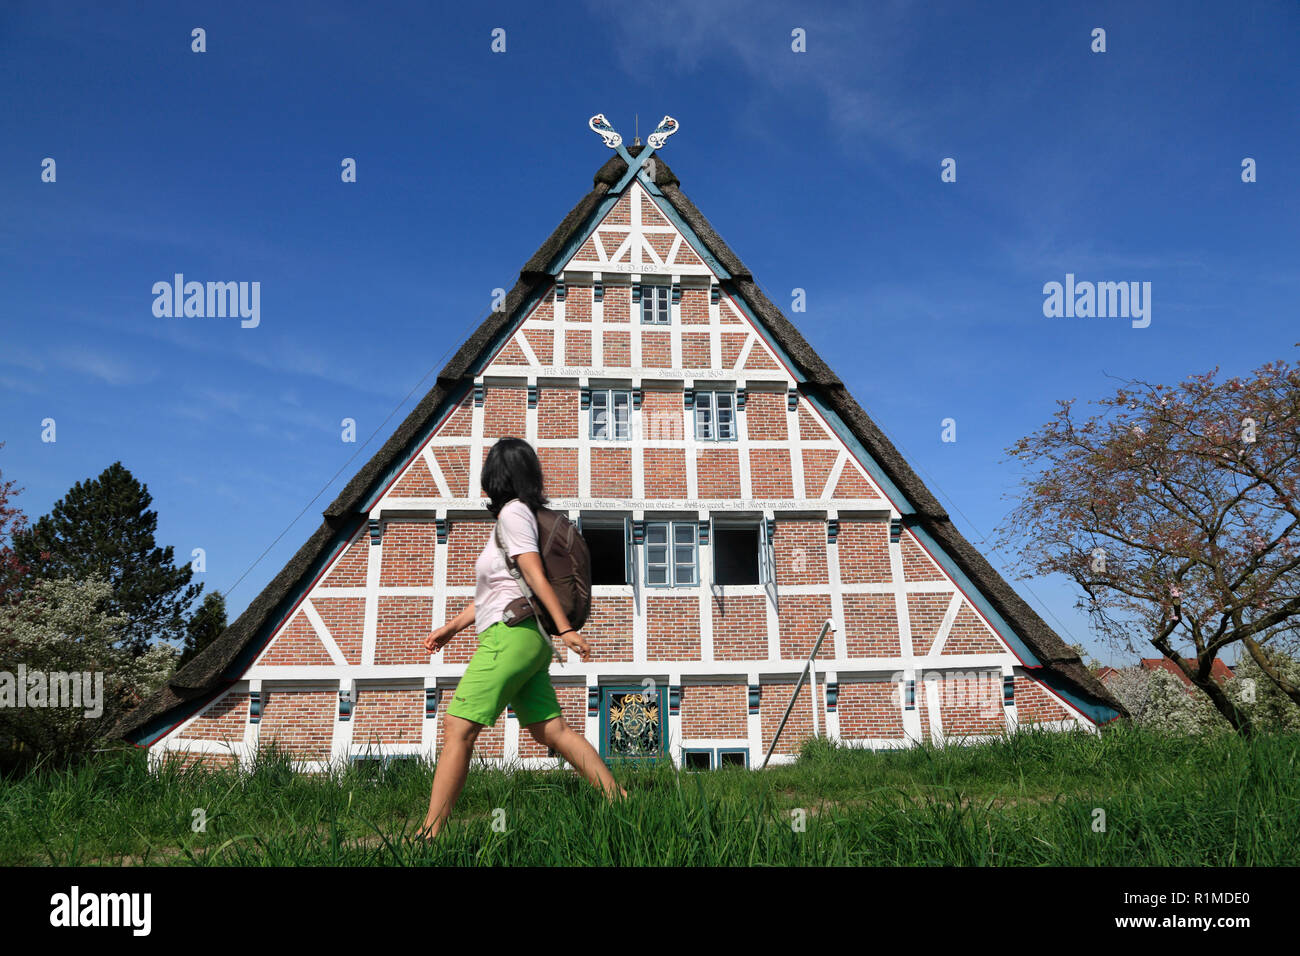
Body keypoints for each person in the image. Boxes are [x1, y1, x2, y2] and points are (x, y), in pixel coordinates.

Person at [417, 437, 626, 840]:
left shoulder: (513, 514)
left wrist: (565, 628)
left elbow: (533, 574)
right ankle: (619, 800)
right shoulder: (517, 517)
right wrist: (452, 627)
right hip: (526, 636)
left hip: (510, 637)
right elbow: (503, 591)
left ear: (495, 476)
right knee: (551, 729)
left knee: (459, 726)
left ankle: (430, 834)